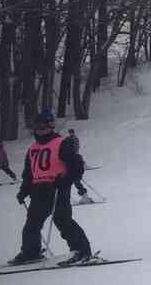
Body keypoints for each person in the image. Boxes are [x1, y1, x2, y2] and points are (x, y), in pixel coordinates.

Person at [13, 109, 92, 265]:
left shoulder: (62, 143)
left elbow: (77, 166)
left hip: (57, 188)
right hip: (38, 190)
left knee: (62, 220)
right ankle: (31, 252)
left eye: (43, 127)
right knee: (32, 223)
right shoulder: (33, 148)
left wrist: (65, 180)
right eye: (37, 127)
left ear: (51, 127)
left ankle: (81, 251)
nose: (40, 131)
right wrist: (23, 191)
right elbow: (29, 173)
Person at [66, 128, 92, 202]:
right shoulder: (69, 140)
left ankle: (85, 197)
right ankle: (84, 196)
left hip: (75, 171)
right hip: (72, 171)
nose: (70, 133)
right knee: (72, 183)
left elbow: (76, 146)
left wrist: (77, 173)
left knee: (76, 182)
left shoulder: (74, 139)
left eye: (71, 132)